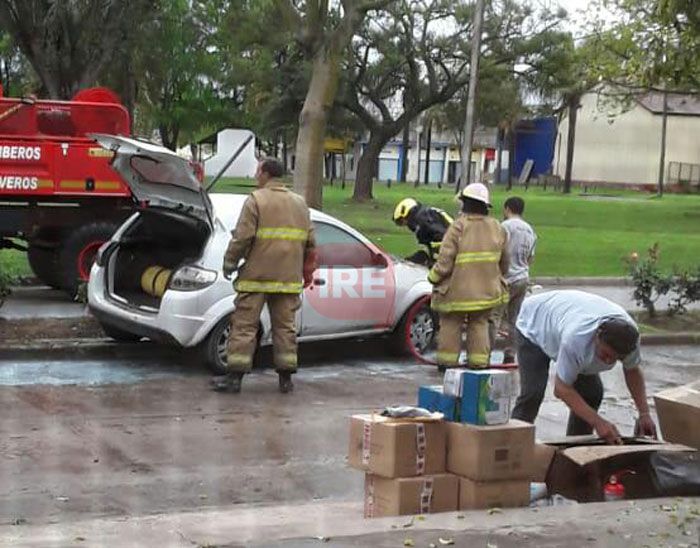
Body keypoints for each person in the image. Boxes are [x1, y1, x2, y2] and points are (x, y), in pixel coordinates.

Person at [212, 157, 316, 394]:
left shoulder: (255, 200)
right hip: (288, 280)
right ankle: (286, 380)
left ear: (266, 173)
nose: (255, 175)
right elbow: (311, 244)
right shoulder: (301, 204)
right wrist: (306, 272)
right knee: (285, 329)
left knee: (244, 327)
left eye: (258, 171)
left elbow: (242, 237)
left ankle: (234, 379)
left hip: (256, 277)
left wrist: (229, 263)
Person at [511, 290, 657, 443]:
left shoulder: (630, 340)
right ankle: (511, 446)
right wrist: (599, 423)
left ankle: (576, 448)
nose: (608, 361)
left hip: (565, 316)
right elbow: (561, 389)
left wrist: (644, 414)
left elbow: (632, 370)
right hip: (534, 322)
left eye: (616, 358)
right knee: (533, 393)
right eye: (605, 354)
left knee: (591, 394)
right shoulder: (576, 339)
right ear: (597, 336)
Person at [427, 183, 509, 371]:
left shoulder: (458, 227)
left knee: (450, 324)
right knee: (479, 324)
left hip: (457, 292)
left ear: (465, 203)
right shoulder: (497, 227)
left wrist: (433, 277)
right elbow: (505, 262)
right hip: (487, 292)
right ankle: (479, 363)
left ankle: (447, 363)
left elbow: (445, 260)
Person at [496, 196, 537, 363]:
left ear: (507, 209)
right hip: (522, 278)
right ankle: (510, 354)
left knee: (493, 317)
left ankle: (482, 353)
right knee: (515, 319)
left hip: (505, 278)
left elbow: (497, 250)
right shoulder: (529, 230)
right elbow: (530, 258)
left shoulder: (504, 226)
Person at [393, 198, 453, 265]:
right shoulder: (427, 213)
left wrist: (434, 259)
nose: (405, 225)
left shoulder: (423, 219)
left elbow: (442, 236)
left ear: (407, 213)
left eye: (402, 221)